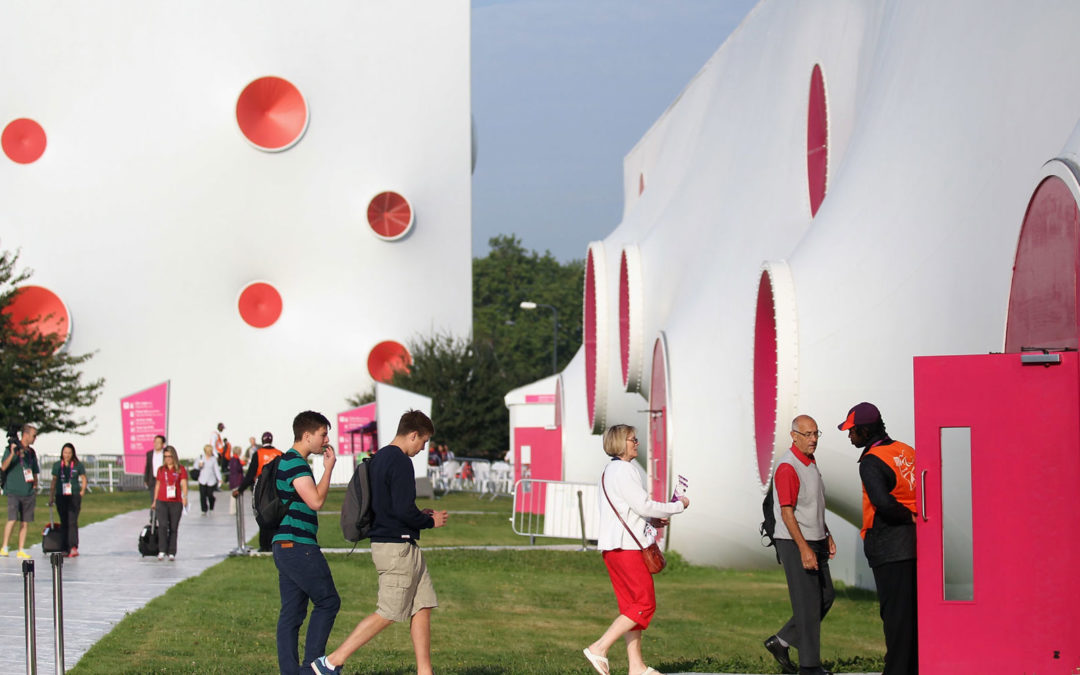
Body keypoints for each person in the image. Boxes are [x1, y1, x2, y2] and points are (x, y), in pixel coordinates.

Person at [311, 410, 448, 675]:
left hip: (399, 545)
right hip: (396, 548)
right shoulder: (401, 461)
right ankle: (329, 663)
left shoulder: (380, 457)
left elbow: (391, 507)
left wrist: (419, 514)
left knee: (422, 606)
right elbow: (402, 510)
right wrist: (430, 521)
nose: (423, 448)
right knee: (389, 611)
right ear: (413, 434)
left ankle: (425, 671)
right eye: (423, 441)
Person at [583, 424, 688, 675]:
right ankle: (599, 647)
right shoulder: (626, 470)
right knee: (644, 603)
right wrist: (678, 506)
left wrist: (650, 520)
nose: (637, 443)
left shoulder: (608, 471)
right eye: (632, 439)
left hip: (613, 547)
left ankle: (636, 666)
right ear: (621, 443)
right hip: (627, 548)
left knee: (631, 606)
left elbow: (625, 509)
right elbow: (643, 505)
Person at [840, 402, 917, 675]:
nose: (850, 436)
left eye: (852, 431)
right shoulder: (906, 451)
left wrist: (908, 517)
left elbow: (883, 503)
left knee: (895, 617)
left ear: (865, 430)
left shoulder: (871, 461)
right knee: (912, 615)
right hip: (916, 545)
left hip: (890, 547)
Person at [764, 415, 835, 675]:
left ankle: (782, 641)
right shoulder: (788, 467)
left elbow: (813, 504)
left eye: (816, 433)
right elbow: (787, 513)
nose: (813, 439)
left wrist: (826, 532)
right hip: (795, 542)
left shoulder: (811, 462)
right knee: (807, 605)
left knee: (826, 596)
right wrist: (804, 548)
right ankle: (809, 666)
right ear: (794, 436)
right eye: (807, 434)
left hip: (816, 539)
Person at [272, 411, 340, 675]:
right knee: (328, 601)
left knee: (292, 613)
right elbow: (316, 501)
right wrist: (328, 470)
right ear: (307, 435)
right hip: (298, 545)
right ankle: (312, 668)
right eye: (323, 434)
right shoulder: (295, 464)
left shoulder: (287, 462)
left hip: (285, 545)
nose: (326, 440)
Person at [233, 431, 282, 551]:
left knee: (263, 516)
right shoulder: (279, 453)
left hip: (262, 490)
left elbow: (250, 474)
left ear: (262, 440)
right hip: (277, 489)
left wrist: (241, 489)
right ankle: (276, 542)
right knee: (276, 516)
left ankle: (264, 545)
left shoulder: (258, 453)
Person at [1, 424, 40, 559]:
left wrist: (35, 485)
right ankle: (4, 547)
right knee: (12, 519)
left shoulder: (31, 452)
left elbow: (34, 471)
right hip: (14, 490)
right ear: (26, 434)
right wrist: (13, 453)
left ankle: (21, 549)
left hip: (28, 491)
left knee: (25, 521)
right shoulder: (11, 449)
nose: (35, 438)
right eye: (34, 435)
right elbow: (3, 467)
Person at [48, 442, 87, 557]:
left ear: (73, 453)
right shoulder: (57, 465)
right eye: (65, 452)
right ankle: (65, 547)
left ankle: (73, 546)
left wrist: (82, 491)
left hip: (74, 495)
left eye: (69, 453)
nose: (67, 455)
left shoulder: (77, 465)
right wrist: (51, 496)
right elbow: (54, 481)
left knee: (72, 521)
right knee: (64, 521)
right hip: (61, 495)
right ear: (62, 453)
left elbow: (83, 478)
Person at [151, 445, 188, 561]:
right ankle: (162, 550)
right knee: (162, 525)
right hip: (162, 501)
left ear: (174, 457)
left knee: (173, 527)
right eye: (165, 456)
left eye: (169, 456)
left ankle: (171, 551)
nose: (167, 459)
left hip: (175, 502)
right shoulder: (161, 470)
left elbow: (183, 484)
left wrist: (185, 497)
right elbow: (158, 485)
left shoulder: (180, 469)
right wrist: (155, 500)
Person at [195, 444, 222, 515]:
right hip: (202, 479)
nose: (209, 453)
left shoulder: (213, 459)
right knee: (202, 495)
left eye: (210, 451)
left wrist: (219, 478)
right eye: (208, 451)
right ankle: (204, 509)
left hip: (211, 480)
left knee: (210, 494)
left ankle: (212, 504)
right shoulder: (200, 458)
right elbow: (195, 467)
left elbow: (216, 469)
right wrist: (199, 465)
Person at [143, 434, 166, 500]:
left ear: (163, 444)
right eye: (155, 442)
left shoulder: (166, 453)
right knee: (154, 499)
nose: (156, 444)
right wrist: (146, 479)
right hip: (153, 479)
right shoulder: (150, 454)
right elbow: (147, 467)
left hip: (163, 479)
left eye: (158, 442)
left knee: (163, 499)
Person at [228, 444, 244, 514]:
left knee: (234, 495)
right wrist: (242, 463)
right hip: (236, 480)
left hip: (234, 479)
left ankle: (234, 510)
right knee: (234, 495)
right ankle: (233, 510)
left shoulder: (233, 459)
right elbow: (237, 469)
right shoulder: (235, 460)